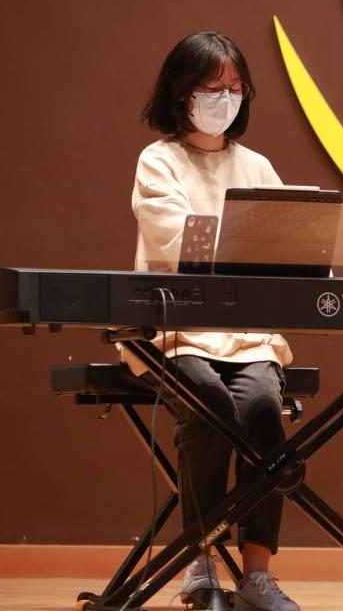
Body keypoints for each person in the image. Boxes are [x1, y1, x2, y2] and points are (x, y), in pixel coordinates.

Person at [120, 31, 299, 611]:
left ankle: (257, 575)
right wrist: (248, 237)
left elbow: (288, 246)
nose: (226, 99)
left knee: (263, 411)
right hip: (176, 334)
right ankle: (198, 564)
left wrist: (266, 241)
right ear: (182, 92)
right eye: (212, 88)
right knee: (210, 405)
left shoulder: (257, 166)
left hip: (247, 336)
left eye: (235, 88)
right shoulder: (159, 160)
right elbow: (178, 243)